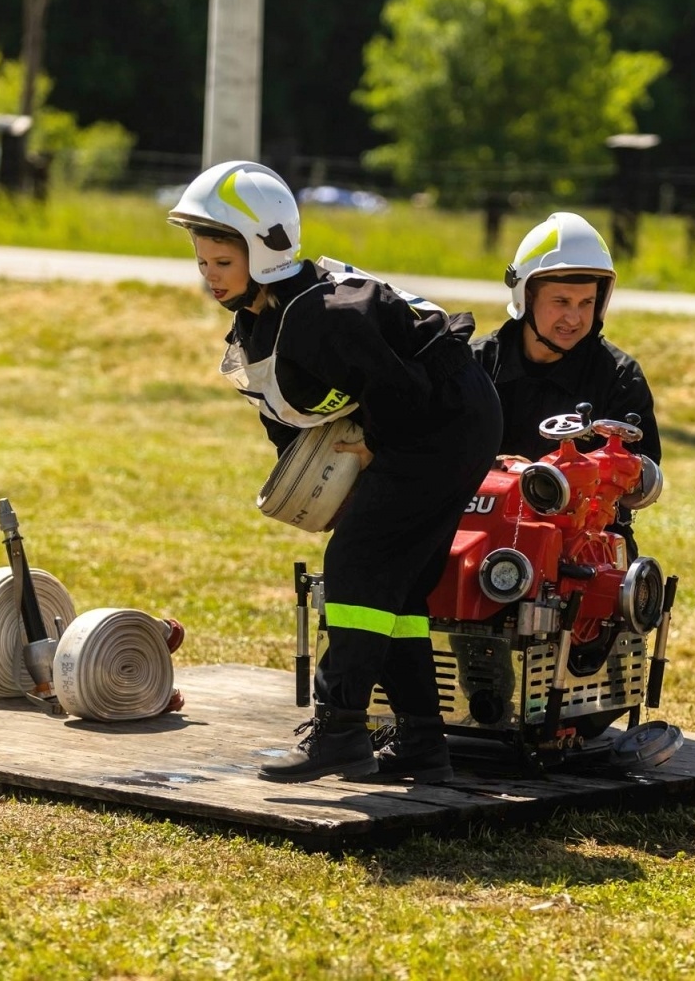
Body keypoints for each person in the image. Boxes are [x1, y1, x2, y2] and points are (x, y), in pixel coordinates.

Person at [167, 160, 501, 784]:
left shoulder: (321, 316)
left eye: (222, 262)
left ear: (265, 252)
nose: (210, 277)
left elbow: (401, 387)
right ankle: (424, 743)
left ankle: (342, 730)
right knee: (396, 586)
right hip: (444, 421)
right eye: (204, 261)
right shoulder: (260, 316)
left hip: (445, 420)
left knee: (356, 565)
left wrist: (378, 447)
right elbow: (287, 417)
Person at [469, 211, 660, 557]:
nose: (574, 318)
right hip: (479, 531)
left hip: (584, 547)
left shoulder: (620, 376)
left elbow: (641, 480)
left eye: (586, 303)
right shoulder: (474, 365)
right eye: (561, 302)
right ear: (526, 297)